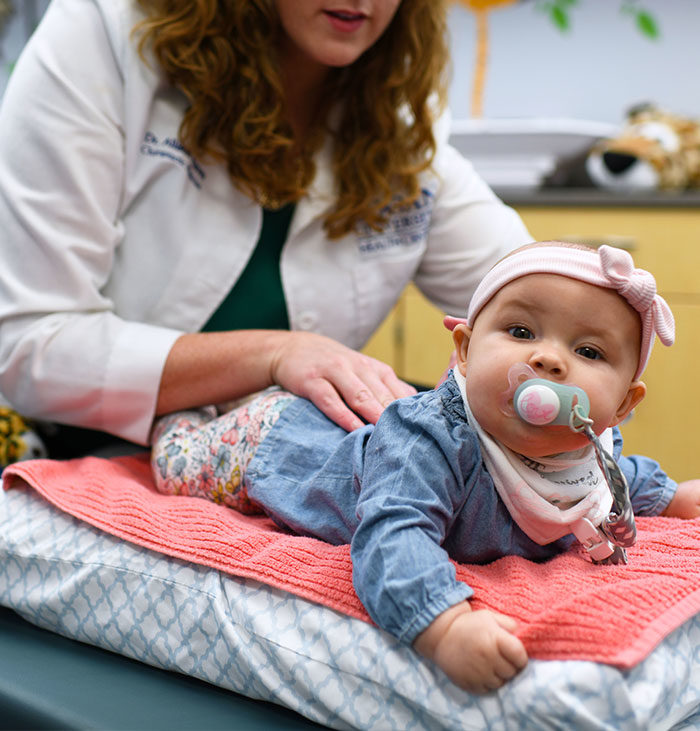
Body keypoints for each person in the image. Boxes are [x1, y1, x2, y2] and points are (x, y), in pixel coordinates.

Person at [0, 0, 531, 454]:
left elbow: (536, 287)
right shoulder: (106, 33)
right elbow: (28, 345)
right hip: (71, 448)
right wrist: (276, 355)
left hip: (269, 460)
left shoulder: (397, 115)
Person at [151, 241, 700, 694]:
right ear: (464, 350)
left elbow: (621, 476)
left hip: (334, 430)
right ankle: (191, 408)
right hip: (278, 446)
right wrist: (442, 623)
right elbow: (393, 534)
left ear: (624, 404)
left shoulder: (592, 444)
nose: (549, 360)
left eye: (589, 352)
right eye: (522, 333)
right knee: (175, 460)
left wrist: (675, 498)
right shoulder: (432, 437)